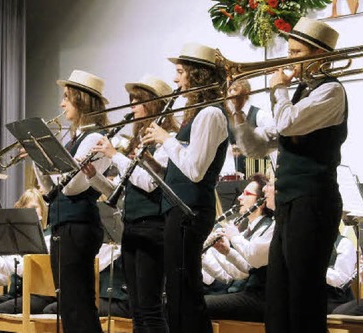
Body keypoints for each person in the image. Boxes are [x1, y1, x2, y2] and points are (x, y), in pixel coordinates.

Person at [237, 17, 345, 333]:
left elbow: (287, 124)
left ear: (319, 55)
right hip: (289, 203)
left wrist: (280, 89)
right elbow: (255, 147)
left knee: (303, 299)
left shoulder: (331, 92)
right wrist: (238, 113)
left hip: (314, 202)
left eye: (297, 53)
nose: (289, 60)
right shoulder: (299, 94)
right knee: (279, 297)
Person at [142, 43, 229, 333]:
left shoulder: (211, 114)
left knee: (185, 291)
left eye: (180, 73)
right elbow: (179, 168)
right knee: (177, 292)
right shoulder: (196, 115)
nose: (176, 80)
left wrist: (166, 137)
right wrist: (152, 164)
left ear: (197, 75)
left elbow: (194, 170)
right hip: (177, 209)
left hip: (190, 211)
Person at [91, 74, 178, 332]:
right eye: (131, 100)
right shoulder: (138, 141)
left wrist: (115, 155)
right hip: (132, 227)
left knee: (150, 309)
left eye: (138, 101)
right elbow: (125, 188)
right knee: (137, 309)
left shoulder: (167, 137)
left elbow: (151, 182)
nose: (132, 106)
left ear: (152, 104)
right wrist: (94, 177)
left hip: (153, 228)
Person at [33, 69, 111, 333]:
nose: (61, 103)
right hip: (64, 224)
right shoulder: (76, 139)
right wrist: (38, 158)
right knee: (68, 305)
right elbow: (49, 191)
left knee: (79, 304)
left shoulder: (95, 138)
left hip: (79, 226)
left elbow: (72, 188)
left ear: (81, 100)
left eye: (67, 97)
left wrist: (52, 163)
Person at [0, 189, 55, 333]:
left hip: (41, 296)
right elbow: (6, 269)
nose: (30, 212)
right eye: (25, 209)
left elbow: (23, 269)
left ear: (43, 210)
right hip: (16, 294)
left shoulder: (49, 238)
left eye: (34, 208)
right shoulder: (16, 236)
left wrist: (10, 248)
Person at [204, 174, 274, 322]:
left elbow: (250, 265)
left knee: (195, 305)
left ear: (260, 202)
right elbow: (230, 275)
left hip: (261, 296)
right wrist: (223, 251)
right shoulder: (246, 231)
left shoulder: (266, 228)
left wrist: (234, 237)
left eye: (247, 193)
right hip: (246, 293)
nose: (240, 198)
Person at [224, 79, 275, 177]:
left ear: (246, 91)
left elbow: (272, 139)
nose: (231, 93)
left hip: (261, 173)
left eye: (234, 89)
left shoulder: (260, 115)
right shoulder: (230, 118)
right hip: (240, 171)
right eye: (230, 90)